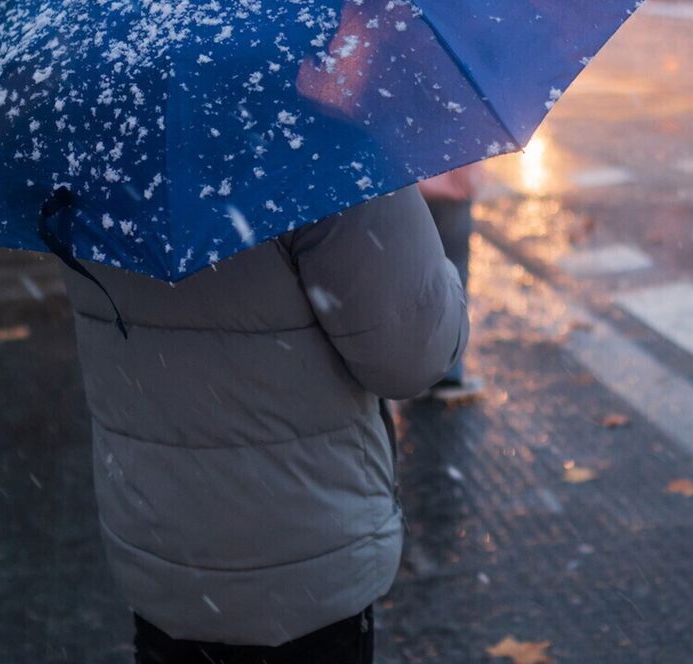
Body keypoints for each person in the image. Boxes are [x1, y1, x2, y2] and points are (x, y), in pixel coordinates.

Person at [59, 185, 469, 664]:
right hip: (305, 567)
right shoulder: (328, 148)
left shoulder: (97, 152)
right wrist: (442, 272)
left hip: (158, 552)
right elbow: (412, 357)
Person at [417, 164, 483, 400]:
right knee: (453, 279)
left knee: (417, 278)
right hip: (452, 182)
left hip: (410, 186)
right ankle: (447, 371)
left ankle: (417, 370)